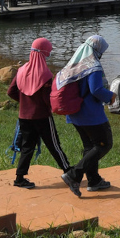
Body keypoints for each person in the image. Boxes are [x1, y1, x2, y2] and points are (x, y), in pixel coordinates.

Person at [6, 37, 71, 188]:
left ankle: (20, 178)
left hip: (24, 116)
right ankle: (68, 170)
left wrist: (24, 102)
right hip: (42, 117)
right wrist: (56, 108)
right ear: (44, 53)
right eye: (48, 53)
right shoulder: (45, 74)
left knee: (27, 147)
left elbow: (11, 91)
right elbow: (47, 99)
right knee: (54, 145)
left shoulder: (21, 71)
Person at [57, 35, 116, 197]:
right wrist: (110, 96)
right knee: (104, 144)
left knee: (90, 147)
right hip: (91, 114)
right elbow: (96, 89)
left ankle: (94, 180)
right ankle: (74, 175)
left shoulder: (74, 64)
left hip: (75, 114)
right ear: (98, 50)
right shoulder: (93, 66)